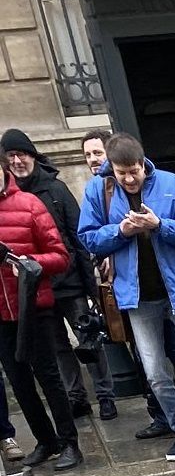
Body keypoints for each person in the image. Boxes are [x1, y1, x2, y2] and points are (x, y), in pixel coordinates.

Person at [78, 133, 175, 463]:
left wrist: (159, 224)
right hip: (137, 298)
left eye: (135, 171)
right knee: (155, 374)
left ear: (144, 163)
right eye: (122, 173)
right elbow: (88, 239)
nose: (130, 179)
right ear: (112, 170)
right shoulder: (98, 191)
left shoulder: (171, 184)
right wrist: (121, 231)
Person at [2, 129, 113, 421]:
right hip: (38, 288)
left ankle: (105, 396)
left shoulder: (56, 189)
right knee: (59, 348)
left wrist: (91, 288)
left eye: (22, 154)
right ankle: (77, 398)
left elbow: (78, 236)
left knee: (89, 339)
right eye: (11, 156)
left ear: (32, 156)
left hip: (70, 281)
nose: (17, 161)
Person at [0, 161, 80, 470]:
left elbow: (60, 256)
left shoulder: (29, 204)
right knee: (19, 383)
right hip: (1, 315)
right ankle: (46, 441)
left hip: (34, 307)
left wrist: (27, 261)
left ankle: (69, 443)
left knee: (49, 378)